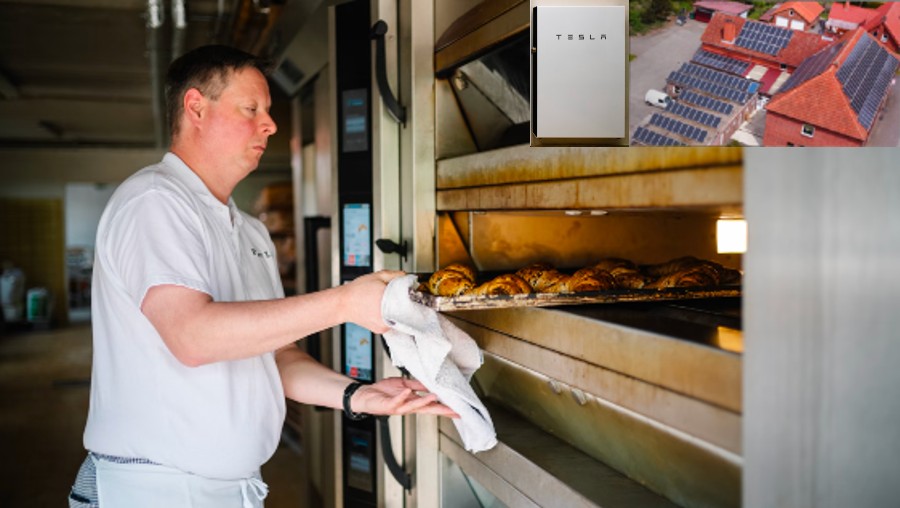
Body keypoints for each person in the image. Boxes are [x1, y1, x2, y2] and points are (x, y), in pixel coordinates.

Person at [68, 44, 456, 508]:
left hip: (225, 491)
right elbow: (192, 336)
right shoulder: (155, 200)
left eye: (268, 112)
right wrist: (344, 302)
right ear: (196, 108)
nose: (270, 125)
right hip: (155, 492)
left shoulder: (249, 230)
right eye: (251, 109)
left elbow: (277, 358)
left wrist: (359, 396)